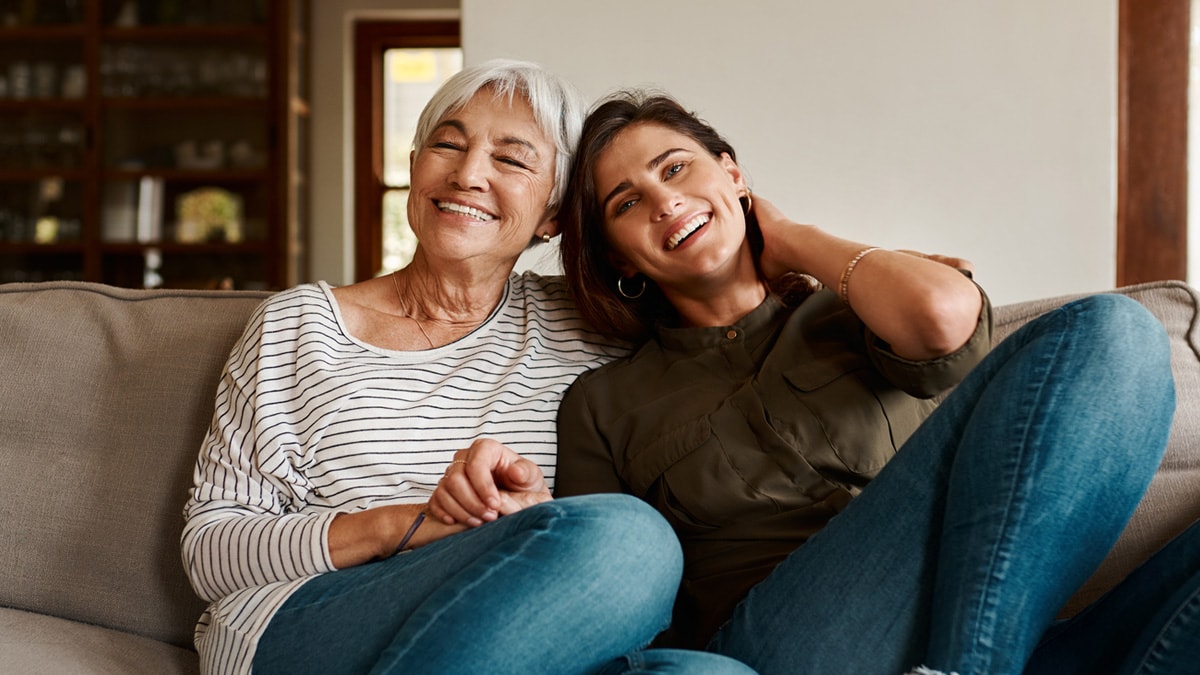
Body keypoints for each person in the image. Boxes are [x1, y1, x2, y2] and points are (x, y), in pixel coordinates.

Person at [545, 89, 1200, 674]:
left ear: (733, 173)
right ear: (617, 255)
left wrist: (796, 238)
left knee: (1118, 331)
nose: (666, 201)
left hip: (979, 615)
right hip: (792, 645)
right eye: (627, 202)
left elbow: (942, 318)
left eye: (677, 167)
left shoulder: (856, 308)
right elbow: (609, 605)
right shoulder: (602, 405)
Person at [182, 63, 754, 675]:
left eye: (511, 160)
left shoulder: (593, 324)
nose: (468, 174)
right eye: (448, 144)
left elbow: (725, 279)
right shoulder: (299, 327)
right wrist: (412, 526)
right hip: (310, 625)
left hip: (512, 638)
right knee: (631, 540)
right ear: (415, 166)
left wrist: (536, 517)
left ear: (553, 215)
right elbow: (210, 553)